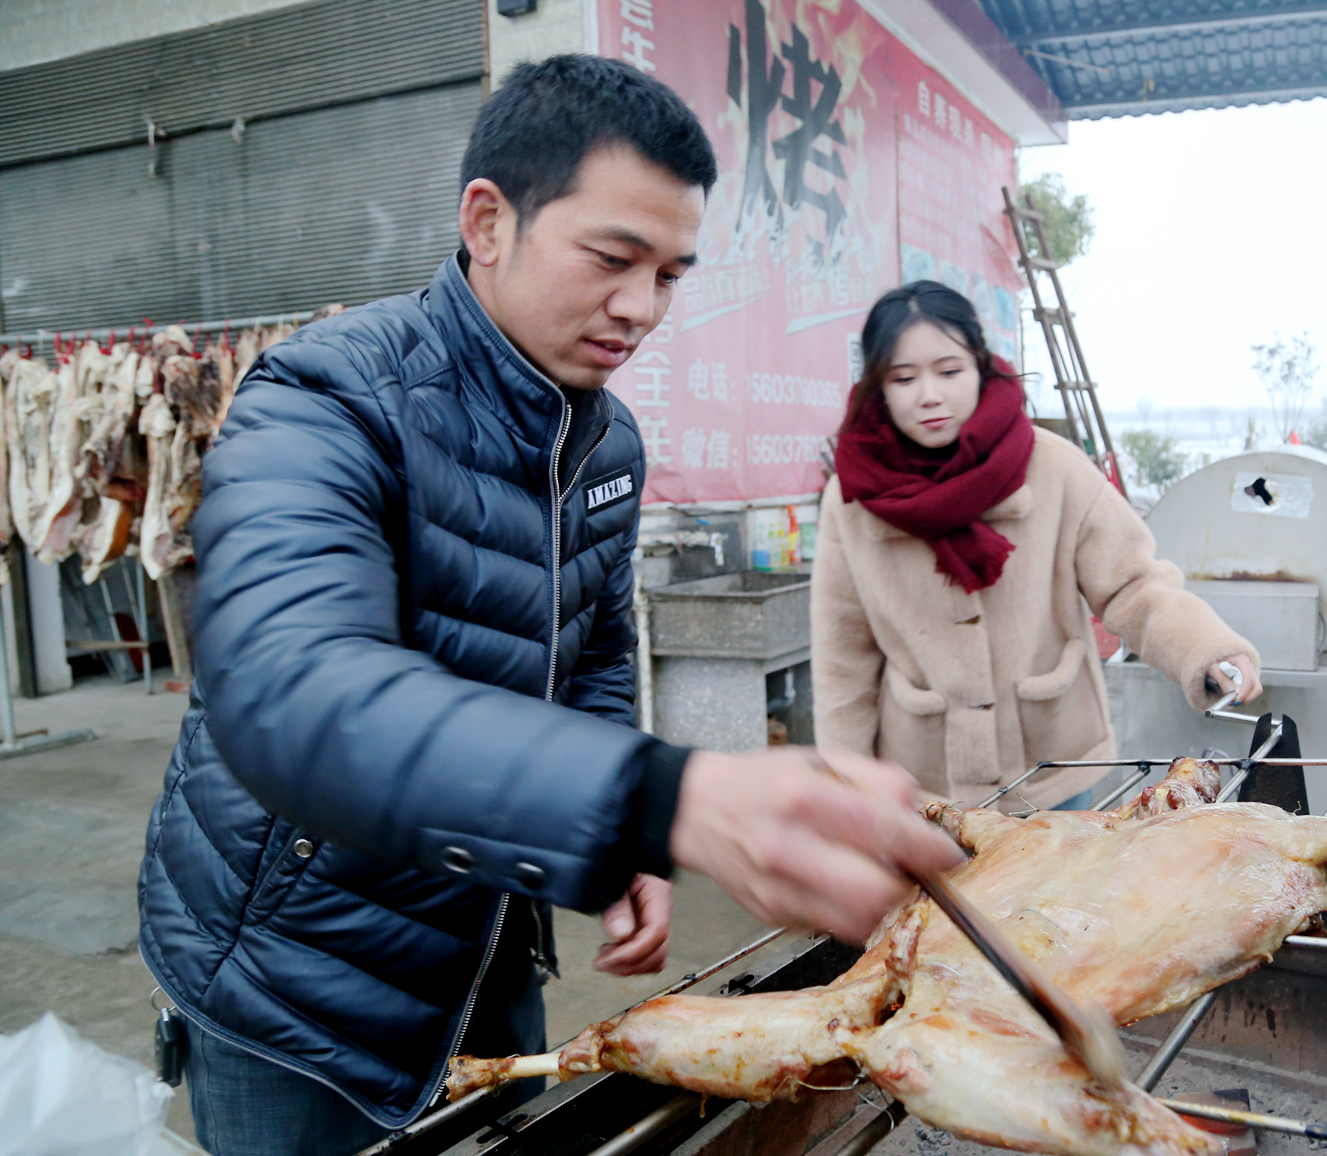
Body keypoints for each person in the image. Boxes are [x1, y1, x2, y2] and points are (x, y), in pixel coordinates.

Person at [138, 57, 960, 1156]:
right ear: (488, 221)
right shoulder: (324, 395)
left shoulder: (604, 439)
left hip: (484, 933)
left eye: (670, 274)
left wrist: (624, 840)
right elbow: (292, 690)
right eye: (612, 259)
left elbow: (594, 654)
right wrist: (659, 800)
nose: (641, 309)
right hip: (293, 983)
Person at [811, 281, 1262, 810]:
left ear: (980, 366)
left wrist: (1207, 648)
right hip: (923, 785)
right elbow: (843, 653)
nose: (929, 394)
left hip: (1051, 770)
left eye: (949, 371)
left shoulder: (1054, 467)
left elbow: (1134, 585)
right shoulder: (854, 496)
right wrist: (847, 786)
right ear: (879, 386)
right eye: (903, 377)